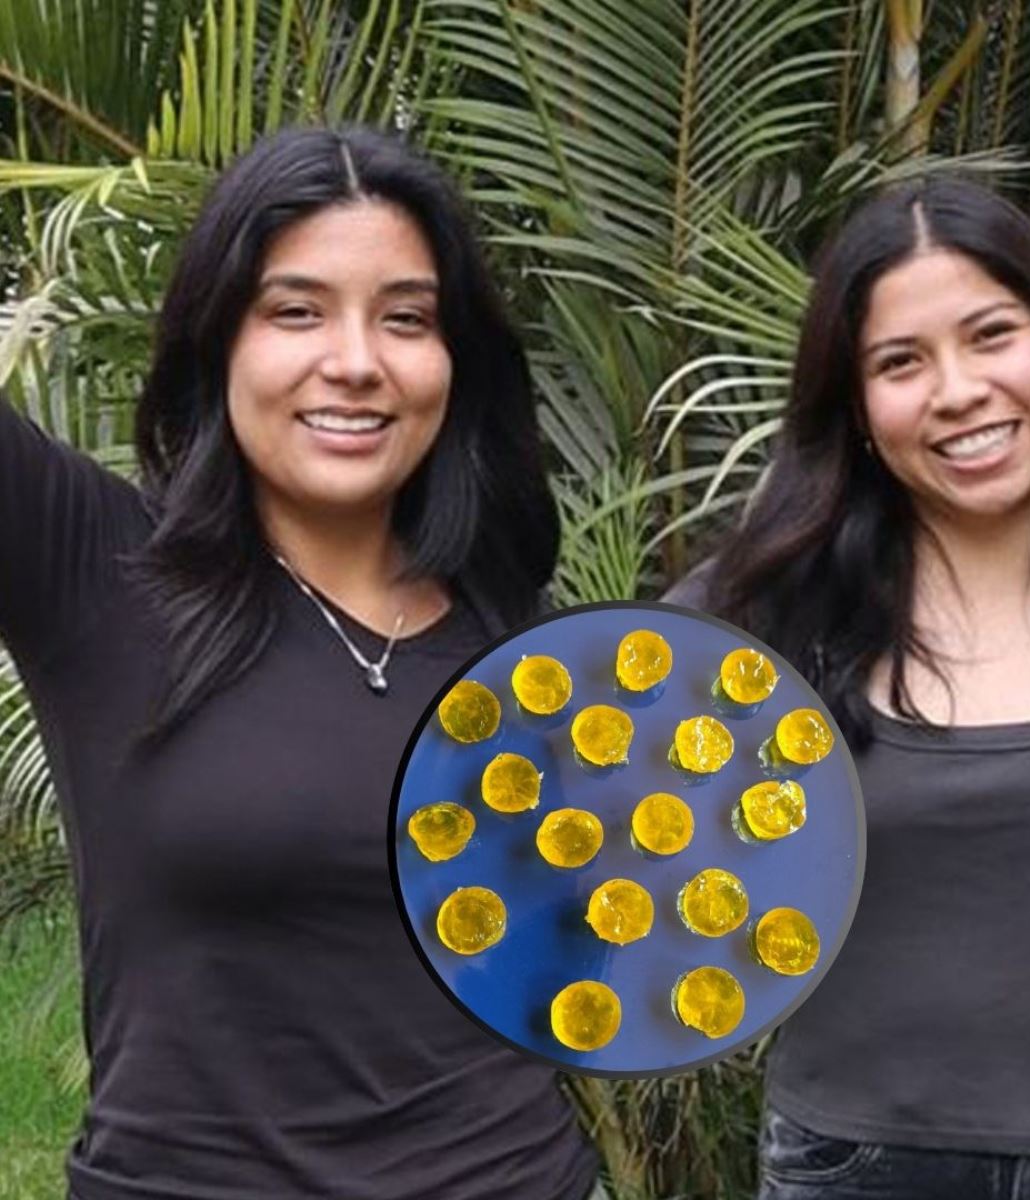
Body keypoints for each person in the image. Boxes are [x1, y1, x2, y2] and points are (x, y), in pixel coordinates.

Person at [0, 128, 601, 1199]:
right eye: (296, 310)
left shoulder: (522, 637)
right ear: (219, 339)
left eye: (407, 318)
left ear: (453, 362)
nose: (358, 361)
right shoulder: (93, 570)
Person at [666, 177, 1030, 1199]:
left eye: (992, 334)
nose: (958, 391)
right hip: (852, 1168)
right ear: (857, 408)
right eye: (901, 363)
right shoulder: (761, 616)